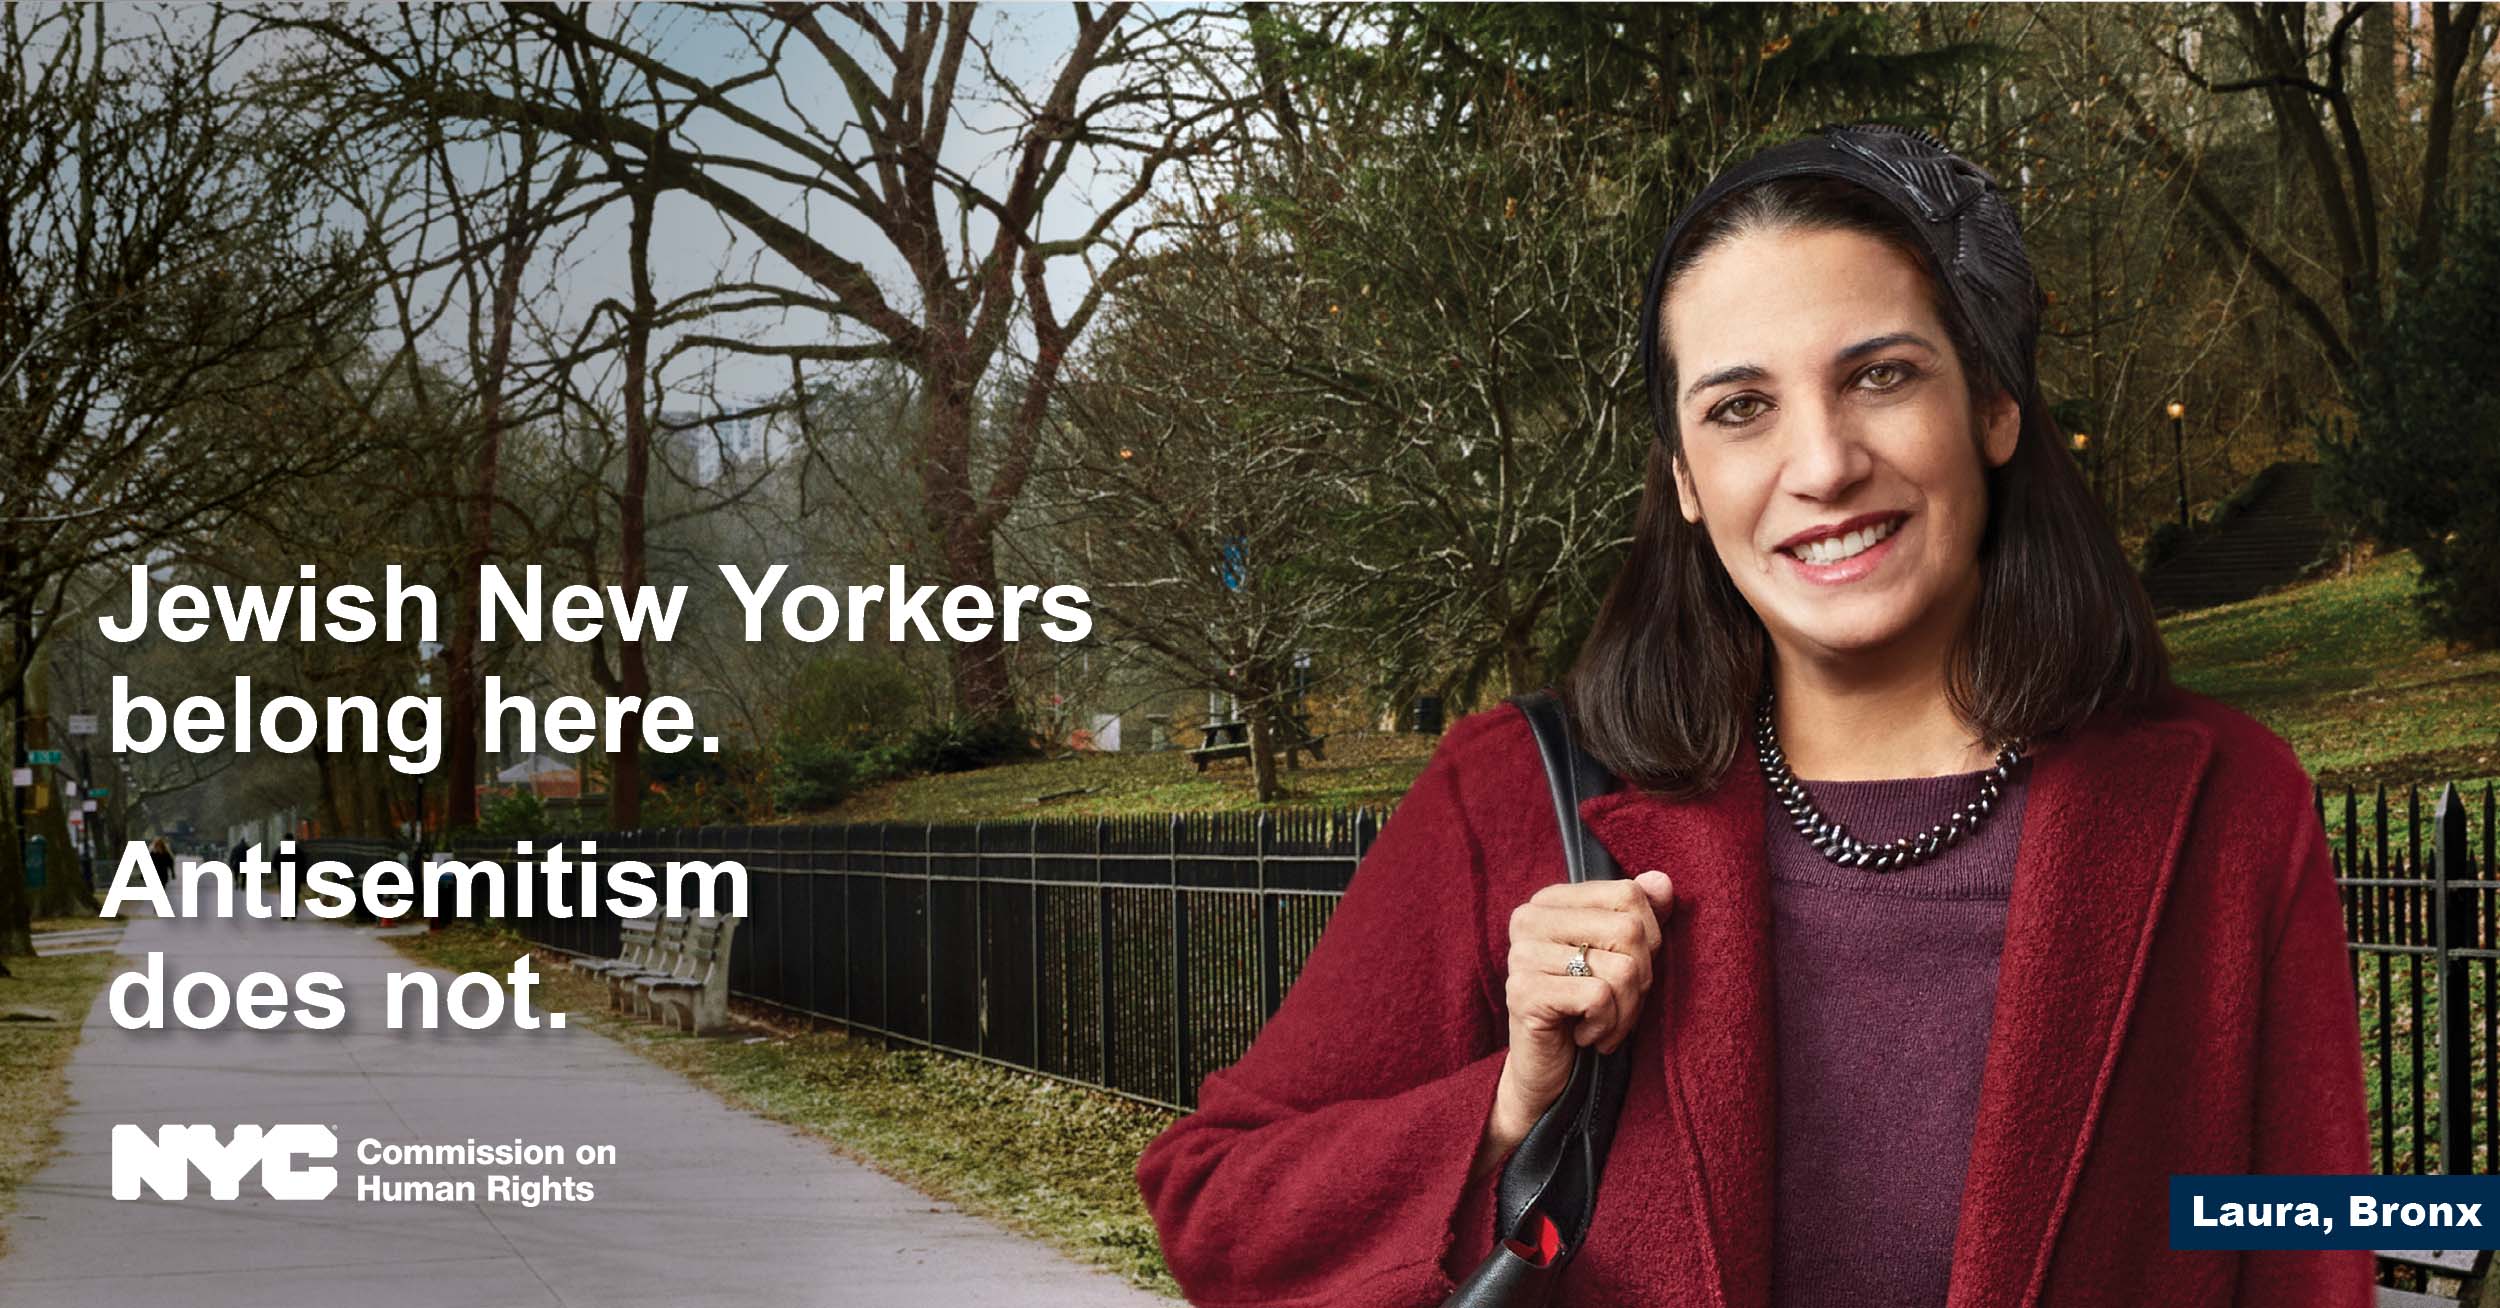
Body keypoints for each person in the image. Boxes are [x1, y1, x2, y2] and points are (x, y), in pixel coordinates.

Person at [1134, 123, 2371, 1307]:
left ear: (1992, 406)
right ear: (1682, 476)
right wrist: (1511, 1103)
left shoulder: (2227, 804)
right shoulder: (1513, 794)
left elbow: (2299, 1236)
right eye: (1739, 408)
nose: (1822, 463)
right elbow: (1214, 1201)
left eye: (1880, 375)